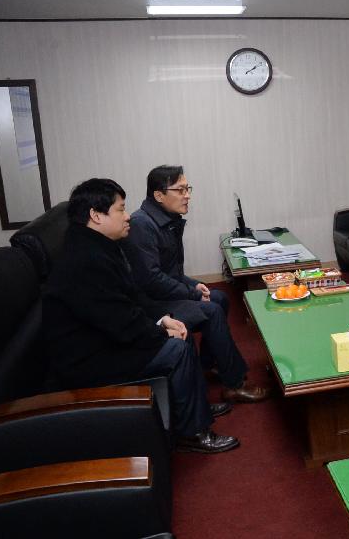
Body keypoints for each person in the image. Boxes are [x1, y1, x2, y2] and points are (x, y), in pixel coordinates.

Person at [43, 178, 239, 453]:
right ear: (96, 216)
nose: (127, 217)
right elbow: (120, 323)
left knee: (179, 331)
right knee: (176, 349)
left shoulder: (96, 246)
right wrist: (160, 332)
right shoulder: (85, 262)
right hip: (89, 361)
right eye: (120, 209)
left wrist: (163, 319)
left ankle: (198, 408)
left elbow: (130, 299)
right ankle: (193, 432)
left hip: (103, 341)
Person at [122, 165, 268, 404]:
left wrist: (194, 286)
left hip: (162, 292)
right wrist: (191, 292)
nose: (187, 195)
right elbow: (150, 280)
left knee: (218, 296)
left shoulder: (166, 219)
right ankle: (235, 383)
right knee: (210, 310)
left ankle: (209, 364)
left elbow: (173, 272)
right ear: (159, 196)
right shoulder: (141, 225)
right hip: (151, 303)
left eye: (187, 188)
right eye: (180, 190)